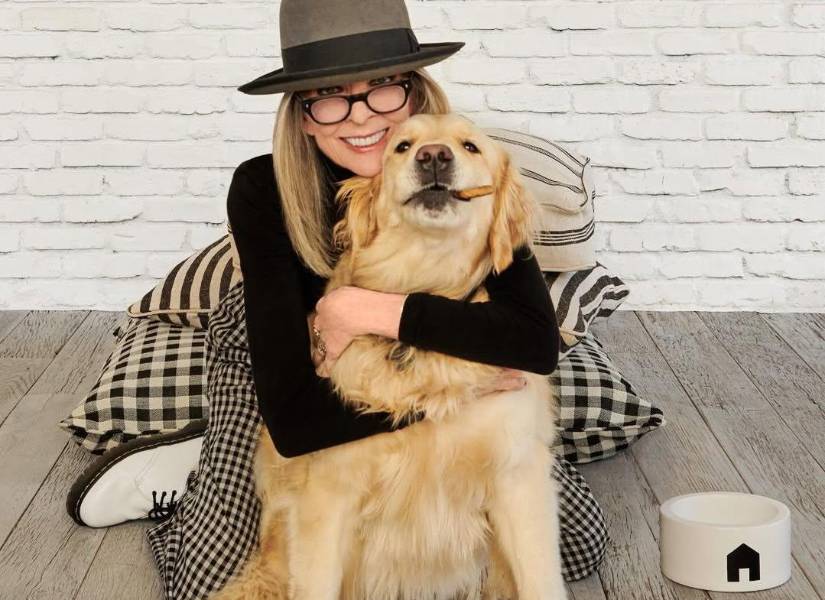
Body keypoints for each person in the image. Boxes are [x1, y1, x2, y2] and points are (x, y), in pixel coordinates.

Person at [66, 0, 608, 597]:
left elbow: (534, 340)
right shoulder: (262, 188)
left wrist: (367, 312)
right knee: (208, 580)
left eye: (383, 88)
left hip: (433, 357)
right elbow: (298, 424)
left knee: (580, 548)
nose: (361, 117)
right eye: (330, 95)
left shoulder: (462, 173)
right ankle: (189, 466)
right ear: (303, 116)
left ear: (414, 93)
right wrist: (455, 394)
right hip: (286, 371)